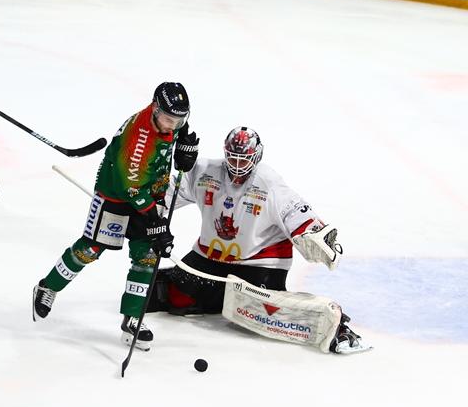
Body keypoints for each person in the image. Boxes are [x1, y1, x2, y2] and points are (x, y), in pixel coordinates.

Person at [149, 126, 369, 354]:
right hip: (210, 257)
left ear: (257, 156)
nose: (237, 165)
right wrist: (148, 214)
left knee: (256, 312)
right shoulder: (205, 172)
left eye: (243, 160)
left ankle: (336, 327)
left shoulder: (269, 183)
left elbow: (295, 213)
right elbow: (164, 195)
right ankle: (221, 294)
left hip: (259, 263)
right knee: (176, 297)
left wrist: (316, 237)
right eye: (232, 158)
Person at [32, 83, 199, 351]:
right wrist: (155, 222)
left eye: (179, 120)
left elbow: (178, 131)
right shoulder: (138, 139)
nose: (173, 125)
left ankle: (132, 318)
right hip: (117, 196)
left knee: (147, 256)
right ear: (155, 109)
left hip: (149, 194)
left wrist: (185, 151)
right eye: (169, 120)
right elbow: (130, 187)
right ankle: (47, 287)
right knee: (90, 249)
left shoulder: (168, 120)